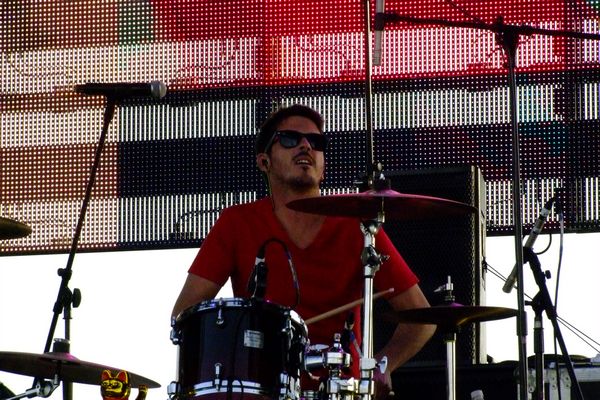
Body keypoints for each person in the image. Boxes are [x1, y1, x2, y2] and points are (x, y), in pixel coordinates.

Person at [171, 104, 436, 398]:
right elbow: (184, 315)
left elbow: (422, 318)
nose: (306, 146)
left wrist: (382, 366)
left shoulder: (357, 224)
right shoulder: (236, 222)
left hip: (338, 390)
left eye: (316, 142)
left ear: (324, 168)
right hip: (263, 389)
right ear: (264, 161)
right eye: (289, 139)